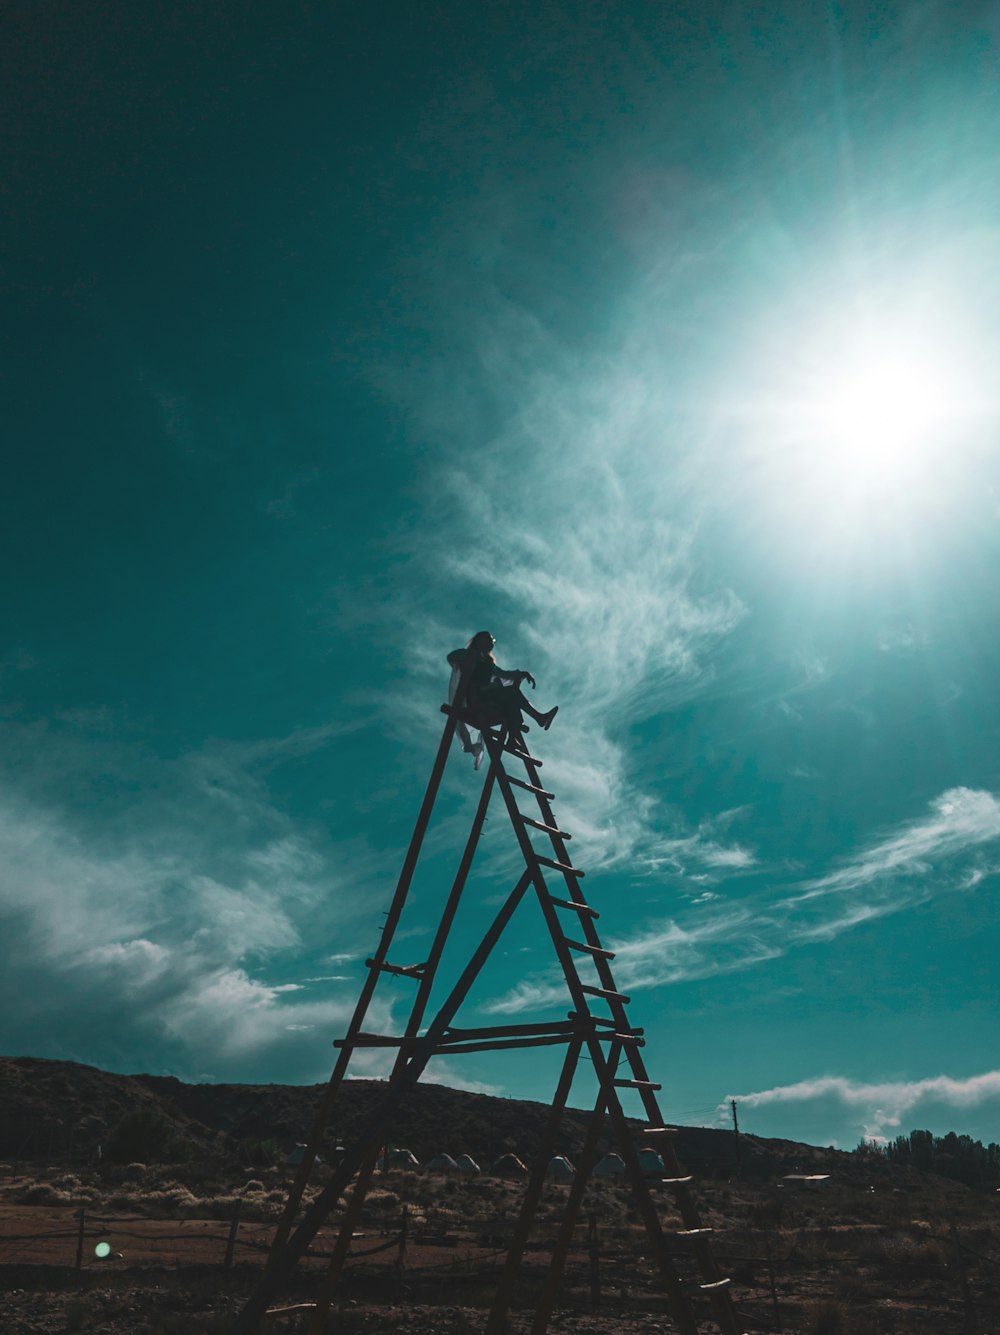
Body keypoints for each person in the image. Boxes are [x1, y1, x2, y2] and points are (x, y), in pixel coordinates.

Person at [447, 631, 558, 749]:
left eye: (493, 641)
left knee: (511, 700)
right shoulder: (468, 656)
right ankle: (538, 718)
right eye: (490, 640)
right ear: (480, 641)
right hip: (475, 696)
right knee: (511, 693)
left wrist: (522, 673)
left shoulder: (488, 663)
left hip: (486, 695)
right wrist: (470, 656)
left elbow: (504, 674)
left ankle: (513, 737)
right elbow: (451, 657)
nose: (492, 643)